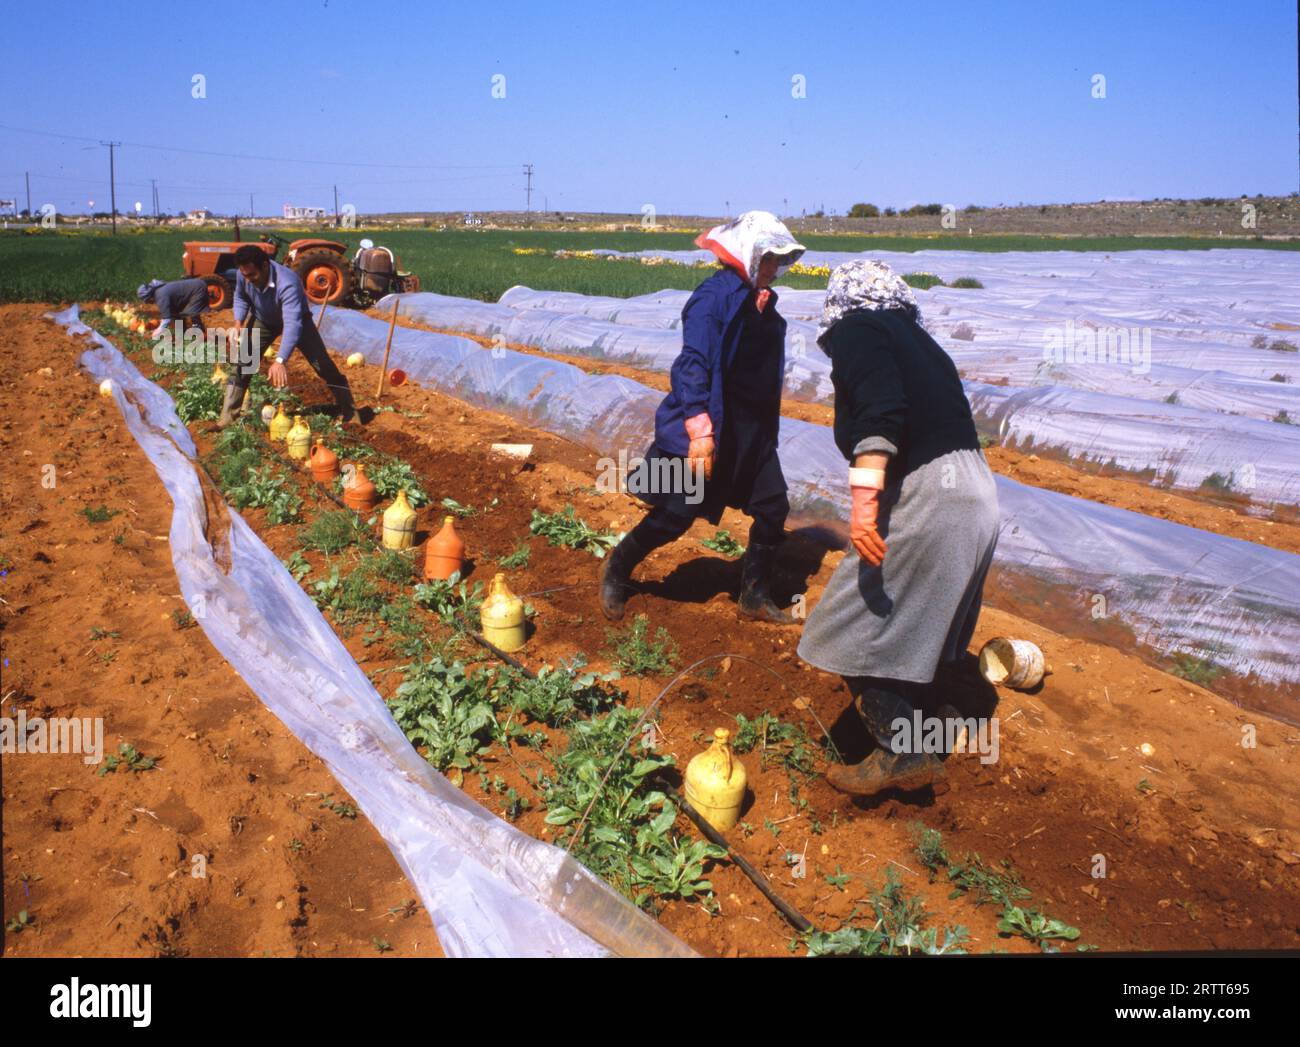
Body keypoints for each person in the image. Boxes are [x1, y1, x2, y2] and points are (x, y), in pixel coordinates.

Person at [796, 260, 1000, 797]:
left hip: (936, 496)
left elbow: (881, 413)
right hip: (975, 492)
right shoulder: (919, 339)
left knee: (847, 627)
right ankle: (943, 718)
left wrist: (863, 508)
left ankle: (905, 751)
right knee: (925, 626)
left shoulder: (859, 328)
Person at [599, 211, 805, 624]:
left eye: (778, 261)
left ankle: (753, 595)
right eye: (767, 259)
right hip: (710, 425)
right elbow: (691, 365)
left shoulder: (761, 301)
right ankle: (617, 566)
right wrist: (699, 432)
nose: (774, 269)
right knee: (677, 511)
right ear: (746, 254)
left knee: (773, 506)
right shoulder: (713, 299)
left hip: (751, 432)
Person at [219, 244, 356, 427]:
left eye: (252, 275)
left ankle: (350, 412)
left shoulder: (288, 282)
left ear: (265, 266)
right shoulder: (244, 275)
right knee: (244, 362)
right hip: (264, 319)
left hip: (299, 322)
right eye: (244, 275)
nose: (248, 279)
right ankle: (227, 418)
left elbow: (292, 323)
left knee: (323, 365)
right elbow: (241, 297)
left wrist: (280, 360)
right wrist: (238, 323)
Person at [137, 277, 208, 335]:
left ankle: (201, 335)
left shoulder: (160, 296)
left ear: (149, 297)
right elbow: (172, 313)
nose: (150, 303)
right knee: (176, 312)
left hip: (197, 289)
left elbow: (167, 318)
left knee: (192, 312)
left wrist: (158, 330)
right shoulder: (159, 292)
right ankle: (182, 334)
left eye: (148, 301)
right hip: (193, 289)